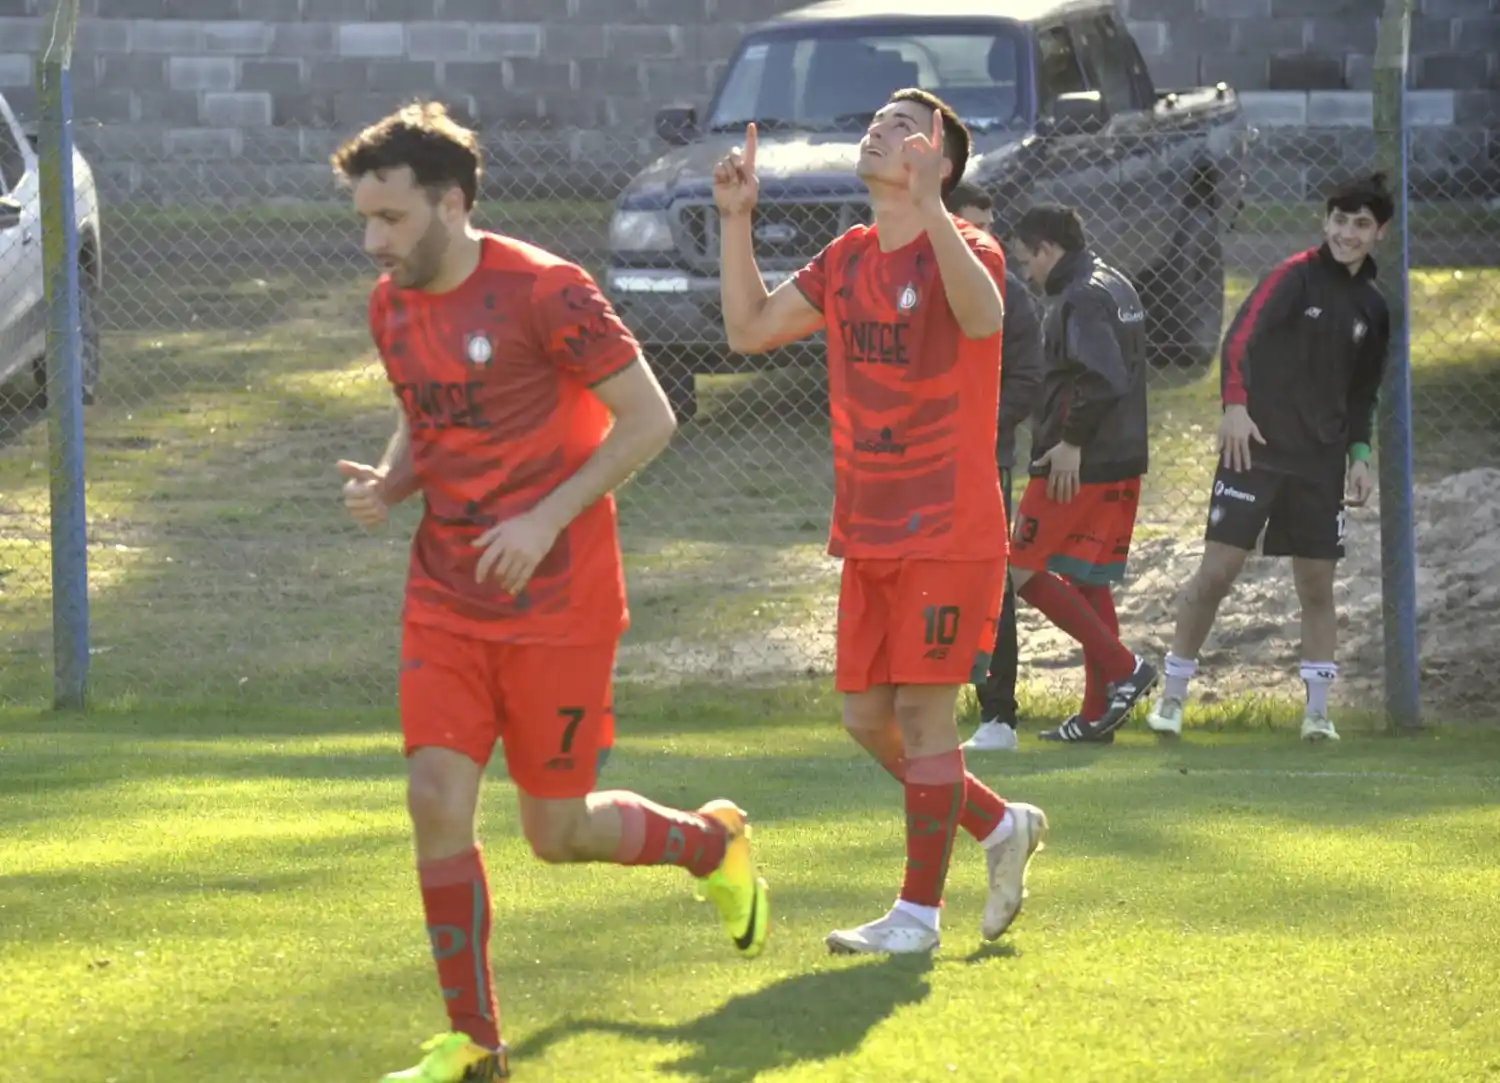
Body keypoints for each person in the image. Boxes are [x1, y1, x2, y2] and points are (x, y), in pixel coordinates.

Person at [330, 102, 770, 1083]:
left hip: (558, 601)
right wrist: (393, 484)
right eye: (362, 220)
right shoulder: (390, 300)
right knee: (433, 796)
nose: (373, 242)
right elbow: (428, 416)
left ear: (449, 202)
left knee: (554, 832)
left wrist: (542, 520)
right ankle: (474, 1046)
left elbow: (649, 420)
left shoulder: (547, 291)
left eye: (391, 220)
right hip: (445, 593)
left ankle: (712, 845)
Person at [714, 88, 1048, 957]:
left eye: (902, 126)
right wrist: (736, 219)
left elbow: (985, 318)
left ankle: (917, 917)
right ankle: (999, 823)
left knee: (928, 718)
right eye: (875, 119)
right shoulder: (846, 255)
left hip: (949, 525)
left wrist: (936, 207)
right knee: (867, 718)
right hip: (868, 526)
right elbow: (748, 329)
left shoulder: (968, 247)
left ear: (935, 159)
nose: (877, 128)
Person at [1146, 173, 1393, 743]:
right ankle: (1173, 700)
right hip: (1253, 449)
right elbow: (1239, 342)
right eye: (1339, 220)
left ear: (1379, 232)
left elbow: (1363, 394)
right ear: (1324, 221)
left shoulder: (1373, 308)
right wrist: (1235, 407)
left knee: (1316, 586)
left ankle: (1317, 715)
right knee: (1217, 575)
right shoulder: (1292, 276)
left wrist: (1359, 454)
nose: (1347, 233)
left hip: (1320, 463)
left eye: (1361, 224)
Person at [1006, 204, 1158, 744]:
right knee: (1088, 579)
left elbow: (1103, 377)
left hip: (1079, 463)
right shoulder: (1114, 282)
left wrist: (1069, 442)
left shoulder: (1082, 298)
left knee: (1020, 571)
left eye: (1027, 260)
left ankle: (1124, 668)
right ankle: (1097, 716)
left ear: (1048, 249)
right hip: (1120, 457)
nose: (1026, 273)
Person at [943, 181, 1046, 752]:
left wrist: (975, 430)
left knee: (990, 583)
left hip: (983, 462)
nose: (983, 238)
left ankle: (998, 715)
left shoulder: (1010, 292)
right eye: (970, 226)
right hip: (911, 466)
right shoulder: (911, 283)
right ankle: (910, 701)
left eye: (988, 226)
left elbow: (1029, 378)